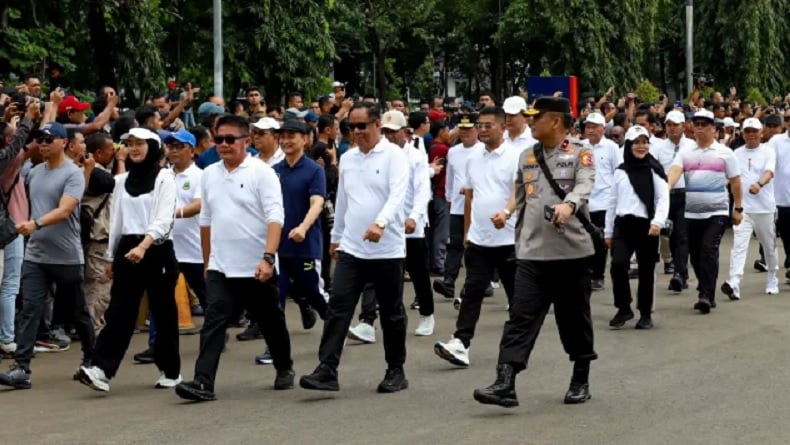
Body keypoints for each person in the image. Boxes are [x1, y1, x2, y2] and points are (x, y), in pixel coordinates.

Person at [473, 97, 597, 408]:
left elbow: (584, 186)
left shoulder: (580, 152)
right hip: (532, 255)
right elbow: (521, 200)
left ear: (555, 121)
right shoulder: (527, 156)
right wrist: (516, 236)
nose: (530, 121)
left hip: (571, 253)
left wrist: (568, 205)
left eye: (535, 116)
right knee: (520, 318)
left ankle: (580, 377)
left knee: (574, 320)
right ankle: (505, 381)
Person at [175, 114, 294, 402]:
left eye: (231, 139)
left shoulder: (261, 173)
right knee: (214, 321)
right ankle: (203, 382)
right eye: (219, 140)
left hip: (256, 266)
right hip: (221, 265)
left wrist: (268, 257)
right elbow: (206, 221)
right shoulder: (211, 174)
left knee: (270, 321)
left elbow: (275, 218)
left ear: (247, 140)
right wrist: (207, 262)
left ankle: (284, 366)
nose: (224, 145)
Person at [299, 102, 409, 393]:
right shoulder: (347, 158)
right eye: (351, 127)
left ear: (376, 125)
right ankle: (327, 369)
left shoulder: (394, 156)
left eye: (362, 126)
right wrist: (337, 236)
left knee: (391, 312)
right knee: (338, 307)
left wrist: (381, 222)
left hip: (387, 248)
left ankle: (395, 370)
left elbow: (398, 194)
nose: (356, 132)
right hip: (352, 248)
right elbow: (345, 200)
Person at [77, 127, 181, 393]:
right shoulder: (122, 180)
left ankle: (170, 370)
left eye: (140, 144)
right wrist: (113, 257)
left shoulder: (165, 178)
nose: (134, 148)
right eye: (130, 144)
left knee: (163, 312)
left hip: (156, 248)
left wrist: (144, 246)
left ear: (153, 147)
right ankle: (100, 369)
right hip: (127, 247)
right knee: (120, 312)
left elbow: (163, 219)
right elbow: (117, 222)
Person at [0, 122, 96, 389]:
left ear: (63, 143)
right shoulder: (35, 173)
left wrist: (35, 224)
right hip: (36, 255)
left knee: (78, 311)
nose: (42, 144)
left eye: (48, 139)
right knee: (30, 309)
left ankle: (92, 359)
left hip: (66, 256)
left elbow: (66, 210)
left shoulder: (73, 174)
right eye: (40, 139)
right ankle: (21, 368)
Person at [433, 107, 517, 368]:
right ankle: (461, 343)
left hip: (510, 239)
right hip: (480, 239)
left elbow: (520, 191)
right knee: (472, 291)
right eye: (480, 125)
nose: (482, 130)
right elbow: (469, 196)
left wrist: (506, 212)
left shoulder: (517, 156)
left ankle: (515, 349)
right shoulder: (473, 158)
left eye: (488, 125)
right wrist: (468, 230)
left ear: (503, 127)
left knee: (519, 298)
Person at [667, 109, 743, 314]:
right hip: (692, 212)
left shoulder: (725, 153)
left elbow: (735, 182)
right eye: (696, 124)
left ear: (713, 129)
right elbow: (675, 171)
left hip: (717, 211)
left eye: (704, 125)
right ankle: (705, 286)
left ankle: (706, 296)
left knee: (708, 250)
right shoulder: (686, 152)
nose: (699, 128)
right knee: (695, 254)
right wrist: (667, 187)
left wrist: (738, 208)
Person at [605, 125, 669, 329]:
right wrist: (608, 232)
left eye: (645, 142)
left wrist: (657, 222)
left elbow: (662, 198)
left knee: (646, 270)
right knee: (618, 265)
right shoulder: (620, 172)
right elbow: (612, 202)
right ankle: (624, 307)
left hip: (647, 226)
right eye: (637, 143)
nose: (641, 147)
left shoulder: (654, 169)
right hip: (623, 225)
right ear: (629, 145)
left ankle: (645, 312)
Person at [721, 118, 779, 299]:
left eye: (754, 131)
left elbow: (769, 172)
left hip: (764, 208)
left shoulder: (768, 151)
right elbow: (730, 177)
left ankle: (772, 277)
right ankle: (734, 283)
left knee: (768, 245)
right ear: (743, 133)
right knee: (738, 246)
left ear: (761, 133)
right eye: (748, 131)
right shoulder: (736, 153)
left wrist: (759, 184)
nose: (751, 134)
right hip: (743, 208)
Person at [650, 110, 695, 292]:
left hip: (686, 195)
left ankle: (680, 273)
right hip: (665, 195)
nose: (672, 128)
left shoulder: (692, 145)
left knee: (681, 236)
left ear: (684, 126)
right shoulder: (659, 147)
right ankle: (677, 270)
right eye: (669, 124)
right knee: (665, 234)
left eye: (676, 124)